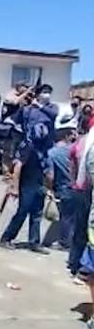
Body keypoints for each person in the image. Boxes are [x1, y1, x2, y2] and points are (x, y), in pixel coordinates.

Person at [0, 94, 57, 253]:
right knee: (22, 212)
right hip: (27, 184)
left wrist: (49, 188)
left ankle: (34, 242)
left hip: (39, 183)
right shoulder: (27, 145)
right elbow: (18, 166)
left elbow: (48, 170)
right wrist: (14, 187)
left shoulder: (44, 148)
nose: (43, 130)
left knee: (37, 214)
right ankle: (7, 238)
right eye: (41, 126)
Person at [41, 129, 76, 249]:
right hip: (76, 187)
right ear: (66, 136)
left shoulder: (51, 153)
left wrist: (49, 189)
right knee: (73, 217)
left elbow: (50, 175)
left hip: (62, 188)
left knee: (65, 216)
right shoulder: (73, 150)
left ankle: (64, 243)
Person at [68, 118, 93, 278]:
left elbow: (72, 164)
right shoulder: (88, 143)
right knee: (86, 229)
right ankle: (82, 266)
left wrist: (74, 183)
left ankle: (75, 262)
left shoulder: (81, 142)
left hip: (79, 188)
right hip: (87, 190)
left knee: (79, 228)